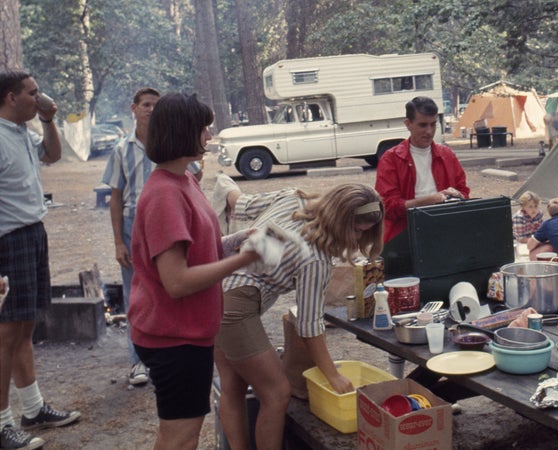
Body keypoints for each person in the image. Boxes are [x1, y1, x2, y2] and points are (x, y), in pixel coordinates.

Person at [127, 93, 261, 450]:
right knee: (181, 437)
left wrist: (237, 241)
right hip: (173, 338)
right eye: (203, 130)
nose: (208, 138)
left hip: (187, 333)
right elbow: (177, 282)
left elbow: (199, 248)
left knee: (179, 431)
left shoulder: (184, 181)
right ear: (183, 132)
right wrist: (243, 260)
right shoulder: (163, 196)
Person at [211, 175, 384, 450]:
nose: (358, 238)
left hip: (212, 290)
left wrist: (228, 188)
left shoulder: (292, 197)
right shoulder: (316, 257)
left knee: (232, 385)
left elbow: (242, 204)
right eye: (357, 230)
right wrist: (333, 375)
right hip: (236, 305)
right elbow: (309, 324)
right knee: (277, 393)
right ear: (339, 219)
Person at [101, 87, 202, 387]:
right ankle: (137, 362)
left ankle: (167, 352)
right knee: (136, 292)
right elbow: (116, 198)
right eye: (145, 105)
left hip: (167, 219)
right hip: (135, 222)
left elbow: (194, 174)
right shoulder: (122, 149)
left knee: (168, 286)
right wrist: (119, 240)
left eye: (156, 106)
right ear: (134, 109)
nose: (150, 110)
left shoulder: (174, 143)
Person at [1, 71, 80, 450]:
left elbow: (53, 154)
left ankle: (32, 409)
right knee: (5, 334)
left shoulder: (20, 133)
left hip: (32, 233)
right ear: (11, 98)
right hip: (7, 240)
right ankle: (2, 424)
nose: (40, 97)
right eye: (33, 94)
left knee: (24, 327)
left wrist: (48, 120)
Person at [375, 96, 469, 243]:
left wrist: (458, 196)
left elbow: (464, 191)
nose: (429, 131)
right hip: (405, 234)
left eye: (433, 125)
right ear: (408, 124)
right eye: (423, 125)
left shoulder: (447, 155)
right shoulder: (391, 159)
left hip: (446, 228)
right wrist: (430, 200)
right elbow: (387, 207)